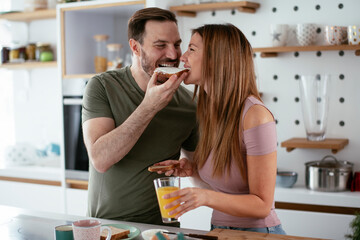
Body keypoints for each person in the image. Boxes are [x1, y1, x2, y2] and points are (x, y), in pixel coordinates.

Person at [155, 24, 286, 234]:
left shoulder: (255, 116)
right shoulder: (210, 111)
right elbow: (227, 186)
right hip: (219, 231)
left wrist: (205, 197)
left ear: (217, 58)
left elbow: (262, 205)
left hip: (257, 234)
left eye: (192, 49)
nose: (183, 57)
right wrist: (193, 170)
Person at [81, 7, 198, 225]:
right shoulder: (103, 86)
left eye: (177, 44)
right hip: (109, 229)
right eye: (160, 45)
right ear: (135, 47)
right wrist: (149, 107)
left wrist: (191, 168)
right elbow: (100, 159)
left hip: (164, 229)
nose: (173, 55)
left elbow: (198, 171)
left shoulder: (189, 104)